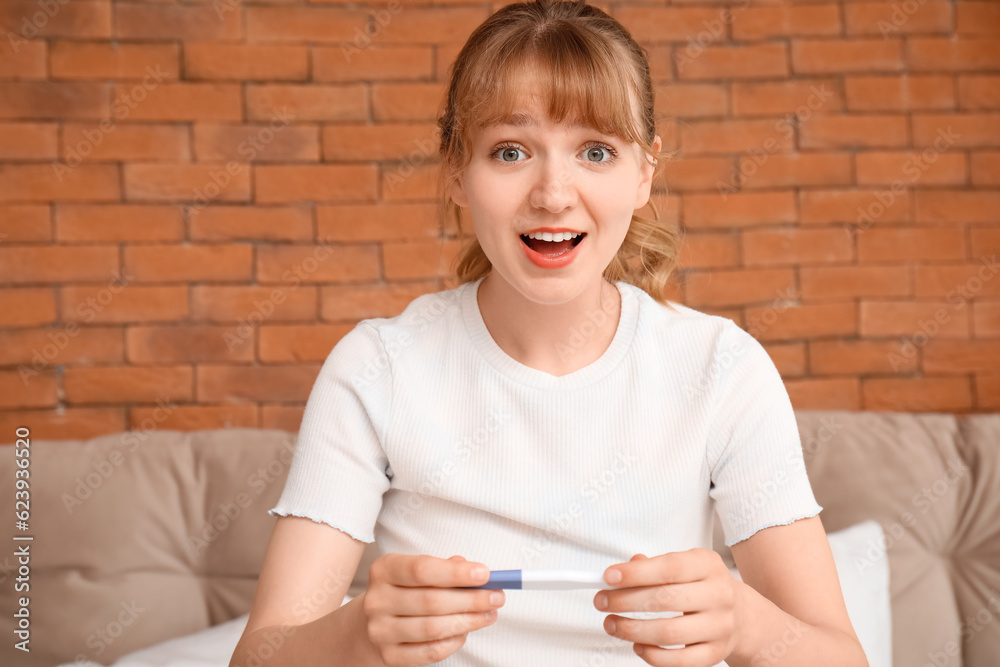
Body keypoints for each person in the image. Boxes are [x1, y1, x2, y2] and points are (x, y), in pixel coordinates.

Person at [230, 2, 869, 666]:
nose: (554, 194)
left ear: (644, 171)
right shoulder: (377, 366)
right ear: (457, 170)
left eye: (595, 151)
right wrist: (355, 634)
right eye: (510, 151)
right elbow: (260, 655)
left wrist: (745, 624)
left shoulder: (722, 368)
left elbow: (841, 656)